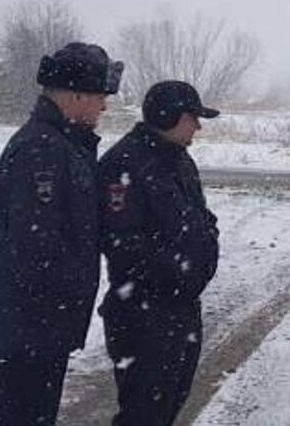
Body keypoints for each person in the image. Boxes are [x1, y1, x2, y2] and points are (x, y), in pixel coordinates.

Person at [0, 42, 123, 425]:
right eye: (100, 96)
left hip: (39, 325)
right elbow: (35, 249)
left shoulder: (62, 145)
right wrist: (59, 306)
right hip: (29, 326)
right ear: (76, 95)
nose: (104, 106)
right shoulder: (41, 152)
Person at [98, 80, 221, 426]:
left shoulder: (180, 161)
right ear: (168, 117)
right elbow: (124, 246)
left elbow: (203, 220)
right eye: (192, 117)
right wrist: (178, 274)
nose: (198, 125)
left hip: (180, 311)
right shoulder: (123, 165)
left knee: (166, 410)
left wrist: (203, 258)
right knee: (143, 415)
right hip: (143, 317)